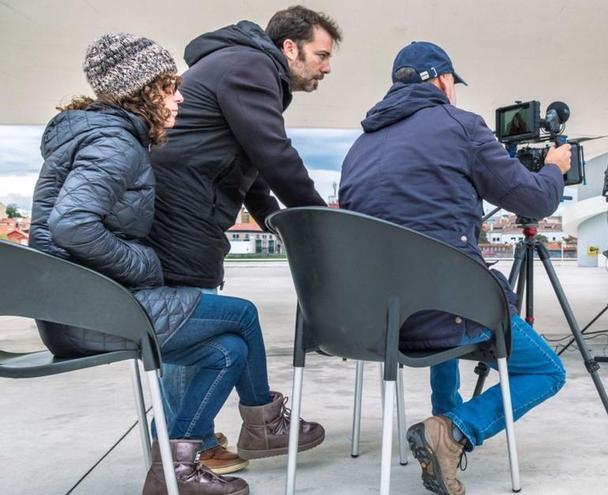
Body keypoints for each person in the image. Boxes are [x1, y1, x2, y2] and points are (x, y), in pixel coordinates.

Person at [29, 33, 299, 494]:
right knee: (243, 315)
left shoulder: (106, 135)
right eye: (171, 87)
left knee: (227, 350)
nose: (180, 98)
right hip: (89, 309)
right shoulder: (115, 143)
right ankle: (265, 423)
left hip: (80, 308)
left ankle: (176, 469)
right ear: (145, 91)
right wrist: (143, 264)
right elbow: (71, 223)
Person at [339, 41, 568, 495]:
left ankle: (440, 425)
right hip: (444, 308)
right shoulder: (461, 126)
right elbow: (535, 199)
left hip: (380, 320)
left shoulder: (359, 146)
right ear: (443, 81)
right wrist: (554, 169)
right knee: (546, 370)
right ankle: (456, 429)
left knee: (439, 286)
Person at [145, 5, 342, 464]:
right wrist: (319, 221)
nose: (326, 67)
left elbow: (251, 170)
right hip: (181, 219)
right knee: (184, 334)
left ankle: (190, 443)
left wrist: (279, 223)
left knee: (190, 334)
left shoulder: (238, 66)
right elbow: (275, 154)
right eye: (322, 54)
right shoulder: (251, 67)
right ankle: (183, 449)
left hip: (183, 214)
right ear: (289, 47)